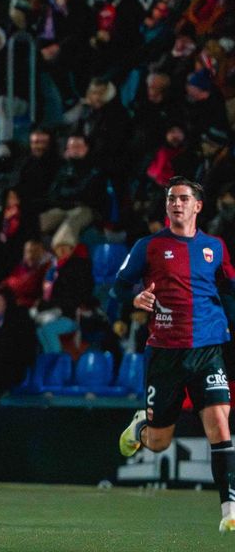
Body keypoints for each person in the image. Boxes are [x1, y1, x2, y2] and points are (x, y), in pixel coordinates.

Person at [113, 177, 235, 532]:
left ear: (198, 205)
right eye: (171, 199)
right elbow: (119, 286)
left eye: (183, 198)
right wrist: (135, 298)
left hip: (208, 350)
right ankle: (142, 425)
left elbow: (229, 285)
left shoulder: (215, 247)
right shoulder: (149, 246)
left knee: (220, 425)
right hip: (166, 353)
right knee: (158, 442)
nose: (176, 204)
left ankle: (229, 511)